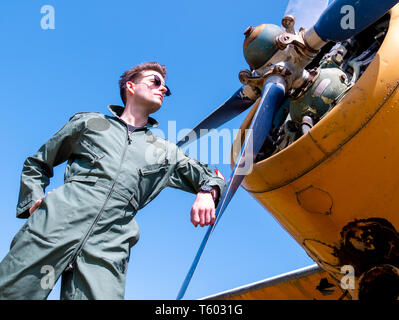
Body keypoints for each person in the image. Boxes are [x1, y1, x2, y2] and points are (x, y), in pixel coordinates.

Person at [0, 62, 226, 300]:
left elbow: (209, 175)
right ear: (130, 86)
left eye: (166, 89)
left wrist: (206, 191)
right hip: (54, 225)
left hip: (109, 246)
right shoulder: (89, 123)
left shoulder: (165, 151)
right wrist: (34, 200)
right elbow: (37, 163)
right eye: (156, 82)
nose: (163, 90)